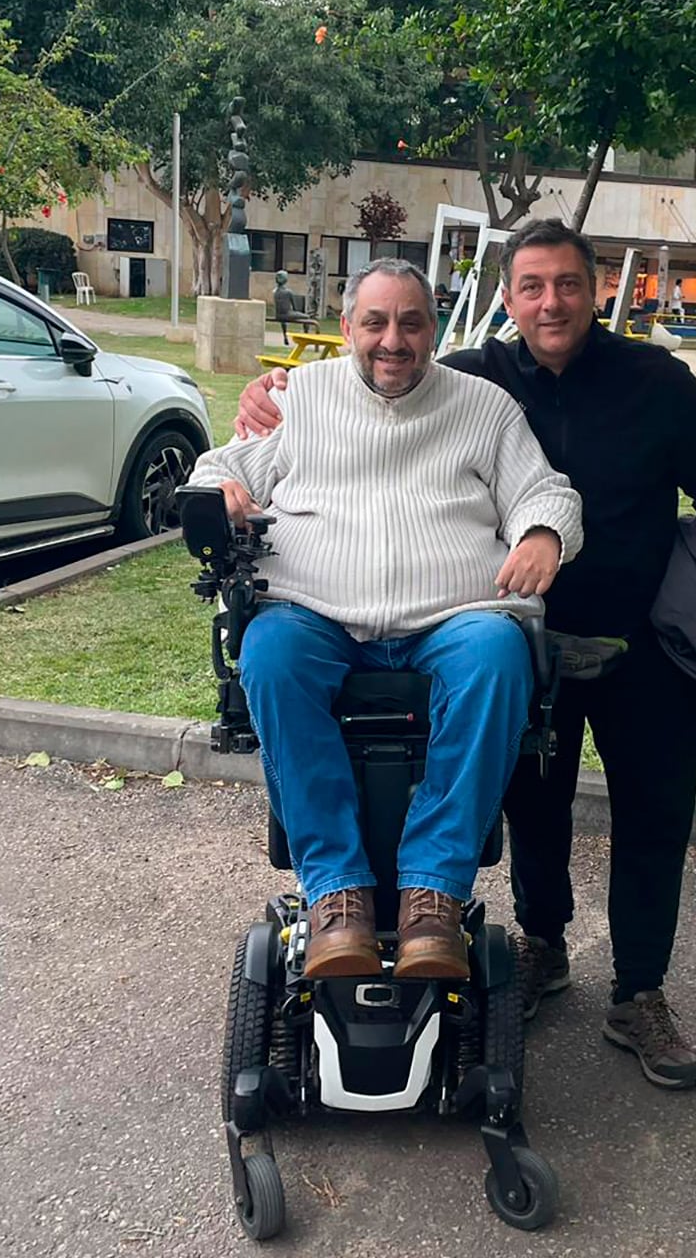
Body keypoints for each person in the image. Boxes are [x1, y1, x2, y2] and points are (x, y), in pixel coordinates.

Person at [239, 220, 696, 1090]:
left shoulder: (640, 382)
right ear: (507, 302)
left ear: (595, 291)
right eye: (532, 288)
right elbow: (258, 454)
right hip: (463, 625)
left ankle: (636, 991)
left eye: (569, 285)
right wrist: (254, 428)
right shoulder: (435, 381)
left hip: (633, 641)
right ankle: (451, 929)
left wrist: (563, 535)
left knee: (650, 814)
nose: (551, 302)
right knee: (535, 806)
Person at [194, 258, 583, 982]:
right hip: (316, 610)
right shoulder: (299, 399)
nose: (392, 341)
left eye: (411, 323)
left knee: (499, 655)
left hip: (453, 614)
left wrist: (541, 535)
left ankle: (433, 891)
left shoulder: (485, 406)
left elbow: (547, 492)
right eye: (374, 323)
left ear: (434, 329)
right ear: (347, 329)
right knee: (270, 653)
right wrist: (220, 492)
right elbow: (225, 467)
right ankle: (337, 893)